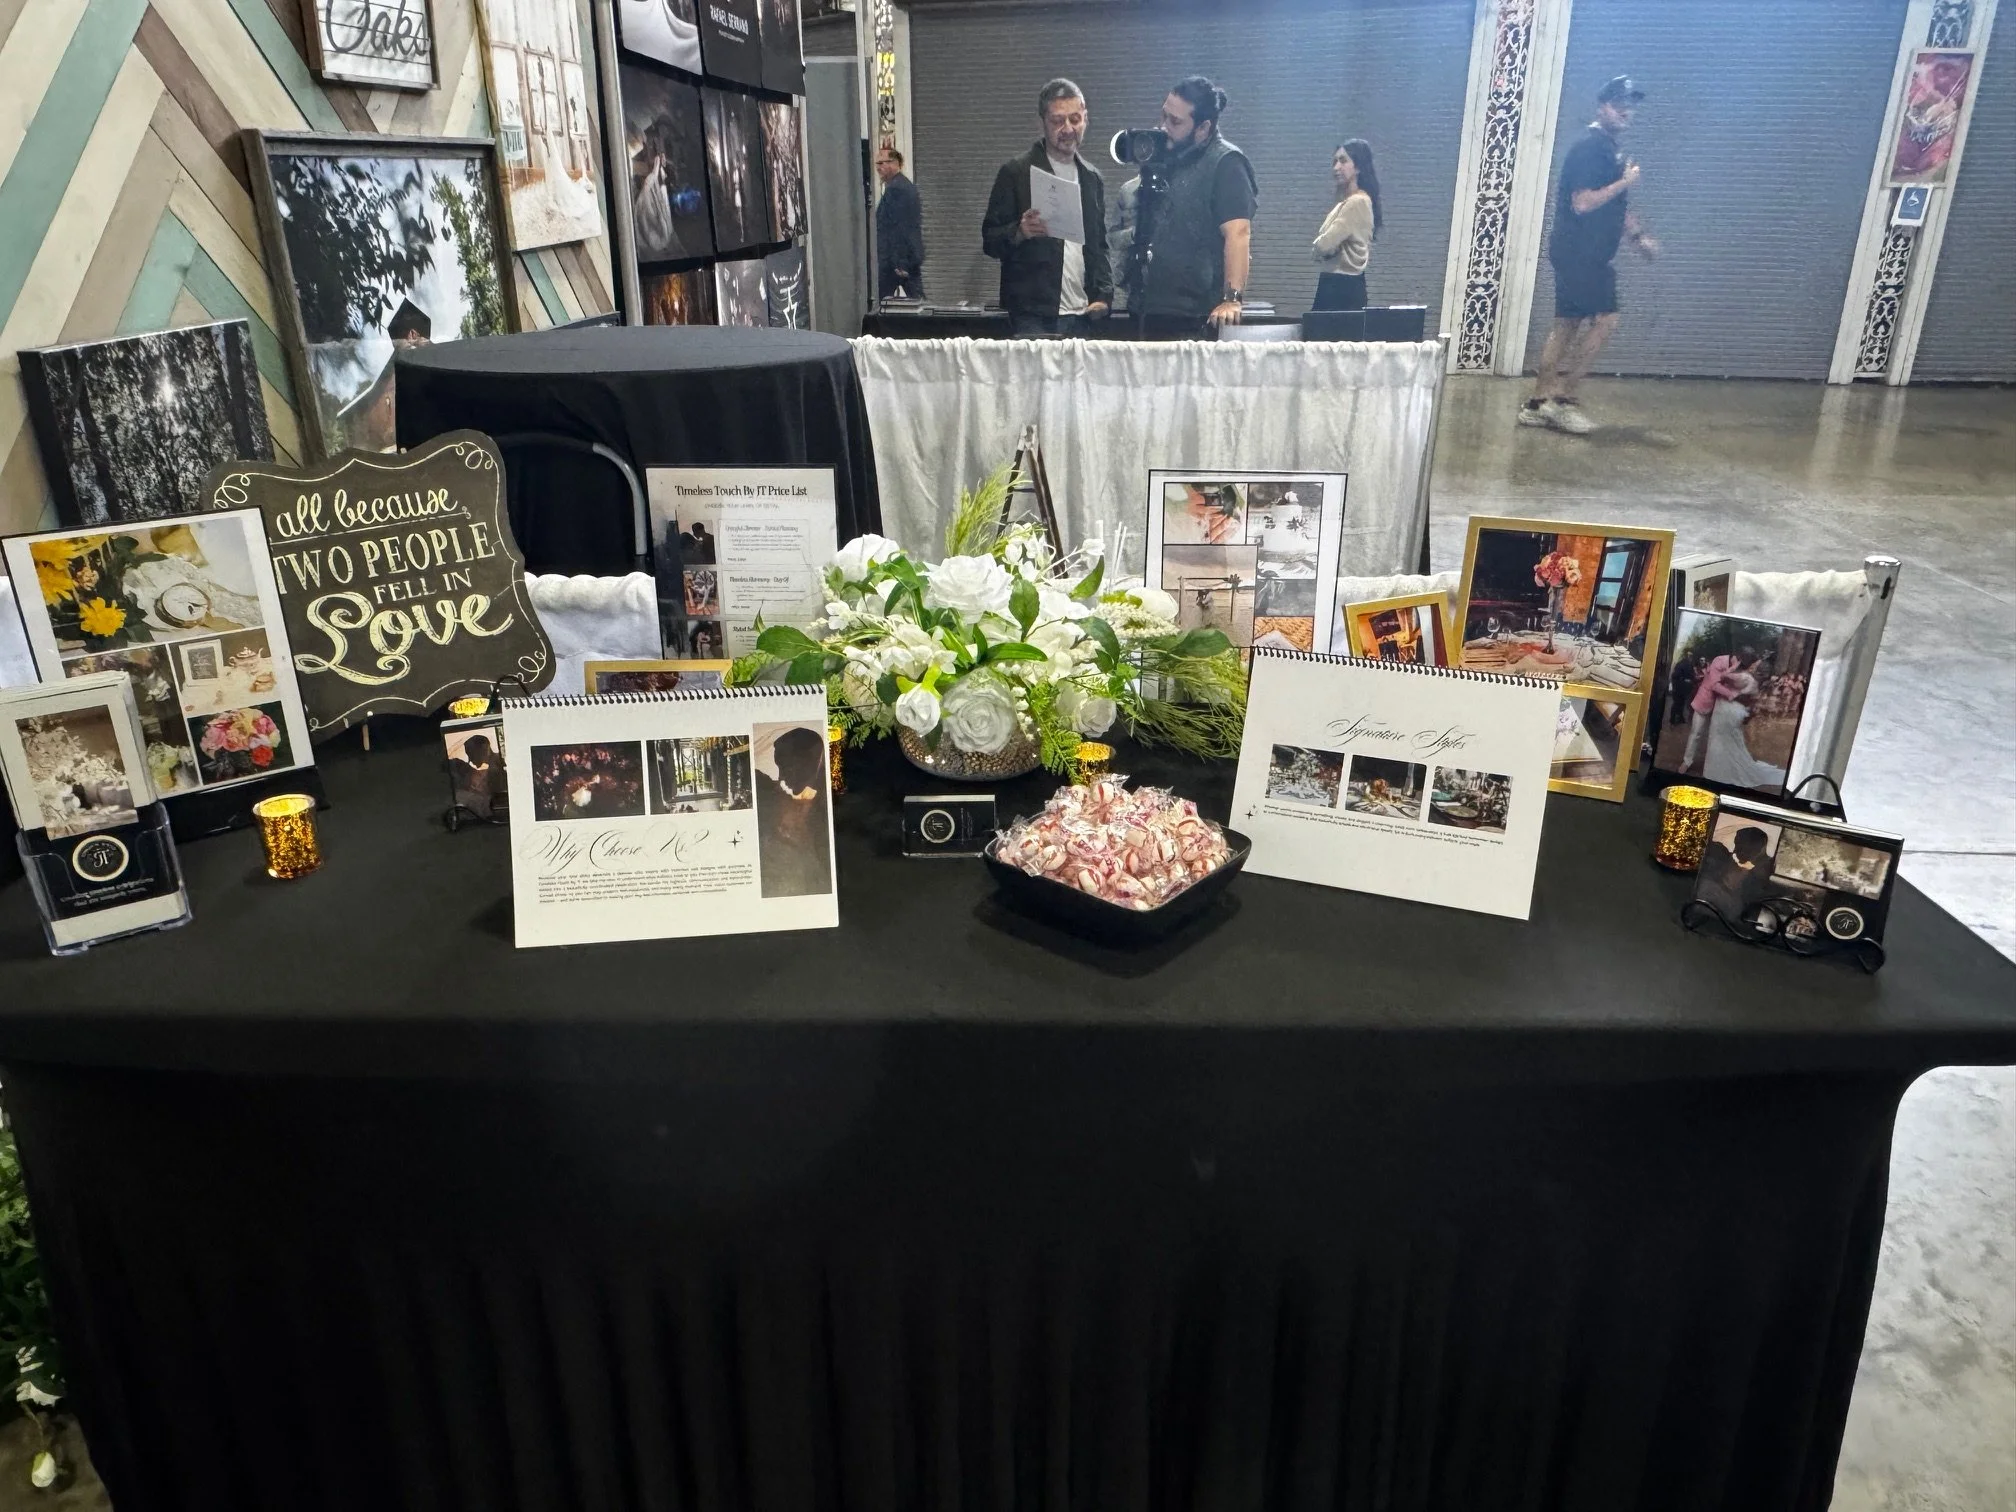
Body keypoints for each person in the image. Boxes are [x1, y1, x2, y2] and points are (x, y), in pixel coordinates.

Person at [1521, 76, 1659, 435]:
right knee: (1606, 318)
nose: (1626, 110)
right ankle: (1563, 400)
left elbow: (1617, 206)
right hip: (1580, 253)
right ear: (1603, 106)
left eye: (1631, 104)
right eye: (1619, 103)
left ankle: (1538, 404)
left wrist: (1638, 235)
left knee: (1565, 325)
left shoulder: (1610, 150)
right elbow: (1582, 203)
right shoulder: (1590, 148)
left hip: (1583, 253)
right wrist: (1624, 182)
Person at [981, 79, 1114, 338]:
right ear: (1041, 122)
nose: (1068, 129)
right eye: (1058, 121)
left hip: (1083, 314)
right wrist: (1019, 232)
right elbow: (990, 240)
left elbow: (1099, 246)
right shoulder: (1016, 172)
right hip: (1031, 315)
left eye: (1075, 119)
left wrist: (1104, 295)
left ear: (1086, 118)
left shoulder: (1092, 178)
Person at [1137, 77, 1257, 339]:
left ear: (1203, 128)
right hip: (1155, 312)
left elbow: (1238, 233)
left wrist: (1232, 299)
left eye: (1175, 122)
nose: (1163, 127)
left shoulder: (1227, 163)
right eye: (1164, 116)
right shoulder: (1169, 159)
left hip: (1197, 318)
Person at [755, 726, 832, 898]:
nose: (783, 777)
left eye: (787, 768)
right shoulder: (783, 794)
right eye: (781, 768)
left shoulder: (822, 807)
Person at [1312, 138, 1381, 310]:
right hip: (1340, 285)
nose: (1336, 167)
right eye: (1335, 161)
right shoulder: (1346, 202)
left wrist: (1320, 247)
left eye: (1343, 161)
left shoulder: (1356, 202)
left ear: (1358, 167)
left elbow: (1323, 245)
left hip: (1341, 288)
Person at [1703, 667, 1788, 791]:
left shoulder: (1746, 678)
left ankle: (1720, 770)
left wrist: (1723, 680)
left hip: (1728, 710)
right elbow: (1750, 701)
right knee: (1728, 741)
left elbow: (1725, 677)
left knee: (1723, 740)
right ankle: (1723, 767)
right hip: (1733, 710)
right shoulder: (1753, 683)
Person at [1684, 646, 1758, 771]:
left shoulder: (1741, 668)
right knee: (1696, 733)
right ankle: (1686, 762)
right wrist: (1732, 695)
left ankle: (1715, 764)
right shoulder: (1719, 661)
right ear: (1739, 657)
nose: (1744, 665)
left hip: (1722, 707)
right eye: (1743, 662)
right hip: (1706, 701)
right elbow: (1714, 685)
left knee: (1717, 737)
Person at [874, 147, 924, 300]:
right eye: (877, 163)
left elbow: (901, 227)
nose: (878, 168)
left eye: (882, 163)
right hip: (901, 259)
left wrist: (900, 262)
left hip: (896, 261)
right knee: (917, 300)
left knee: (882, 304)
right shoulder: (900, 186)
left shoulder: (898, 189)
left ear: (895, 163)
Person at [1696, 825, 1775, 919]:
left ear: (1759, 848)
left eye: (1741, 847)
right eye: (1736, 844)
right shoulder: (1721, 857)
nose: (1735, 851)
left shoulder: (1763, 876)